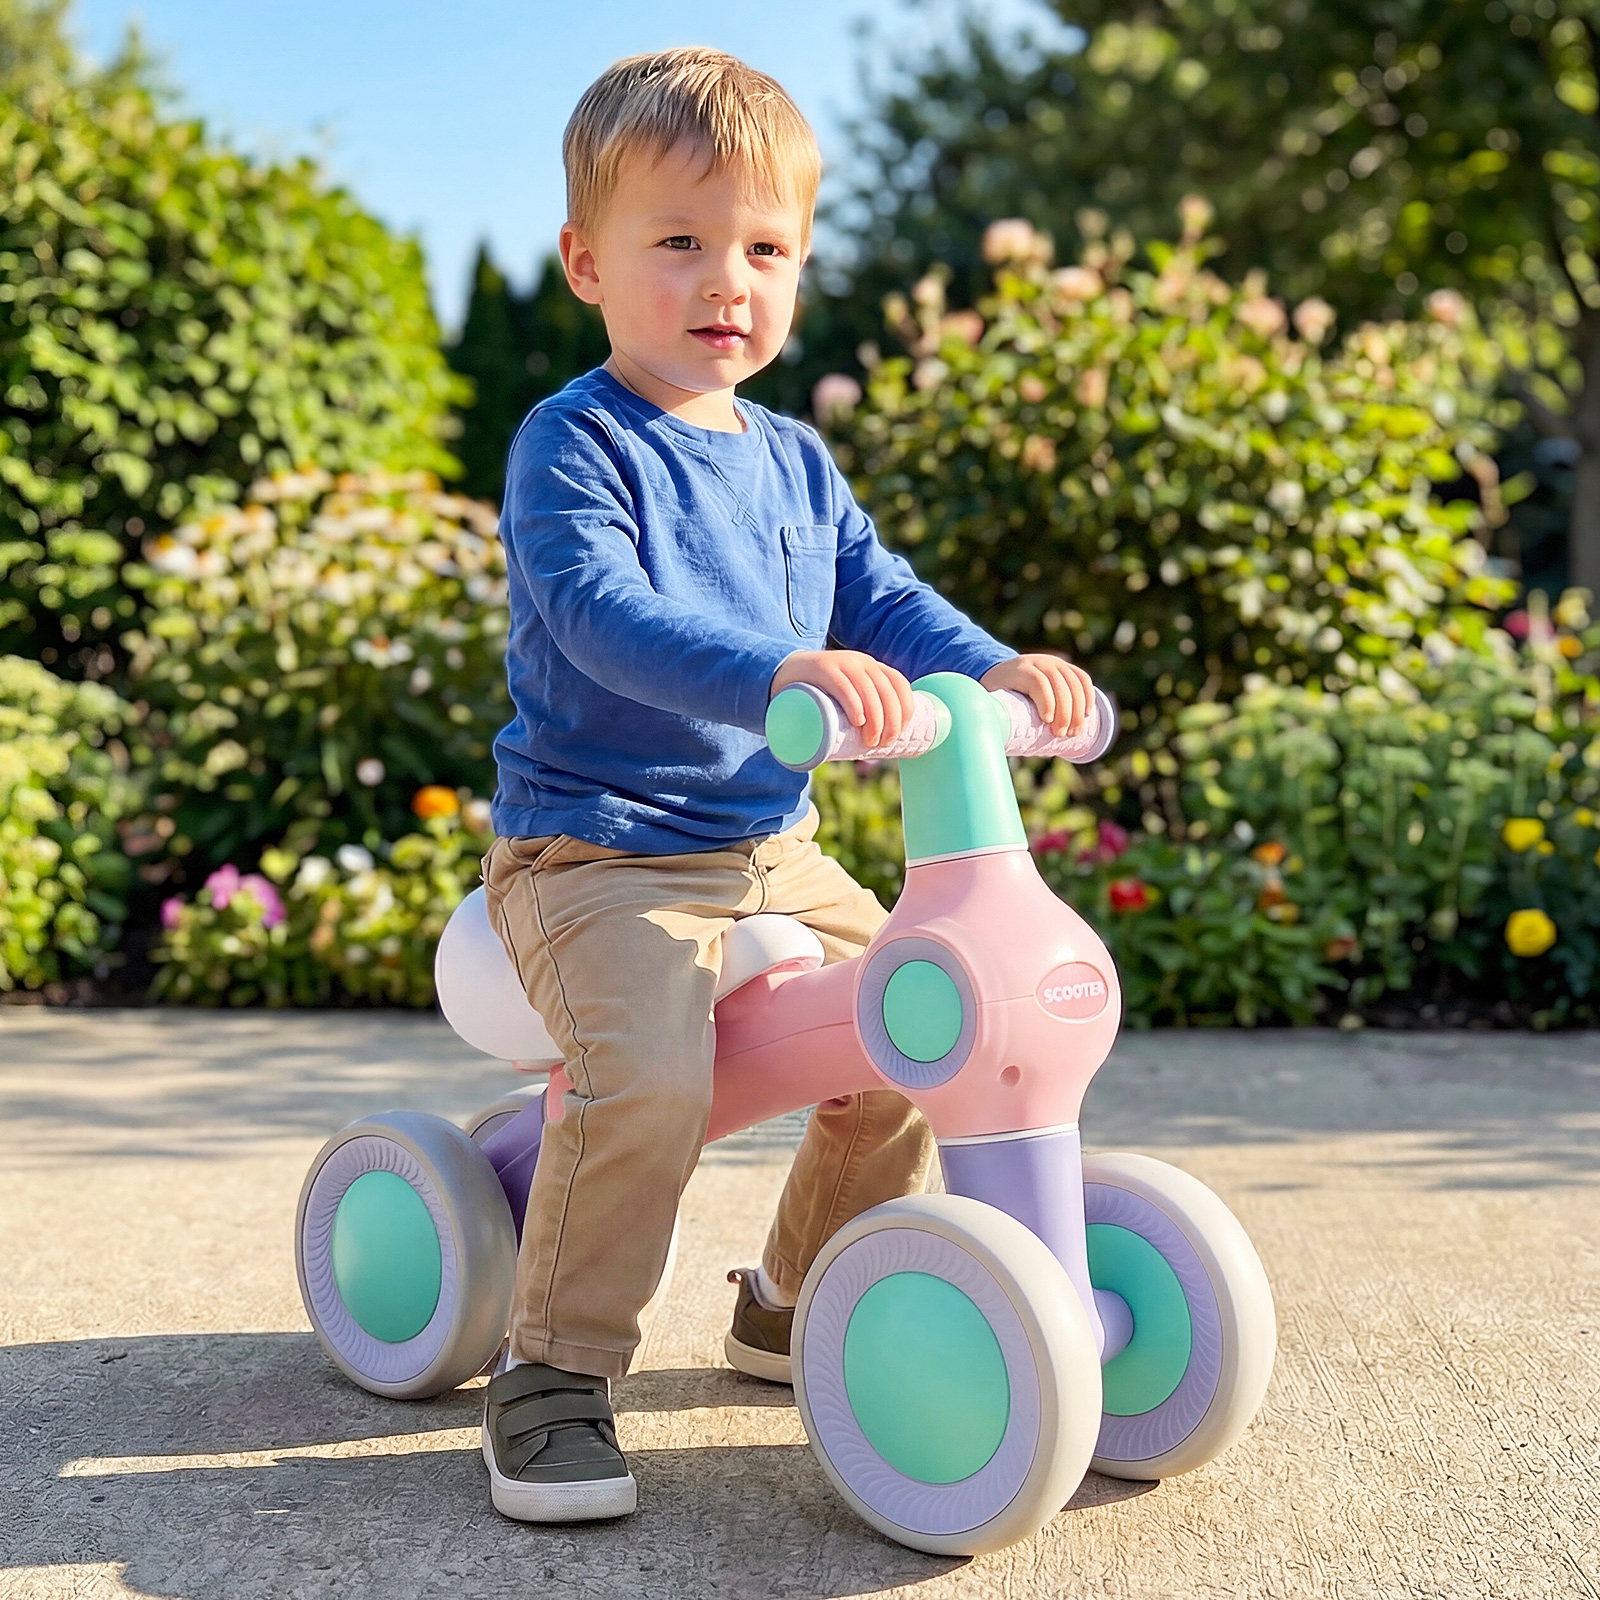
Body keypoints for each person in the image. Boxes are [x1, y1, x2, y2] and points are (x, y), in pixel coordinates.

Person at [479, 45, 1094, 1524]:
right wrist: (773, 673)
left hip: (769, 847)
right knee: (649, 1079)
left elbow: (882, 601)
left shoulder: (796, 462)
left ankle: (794, 1303)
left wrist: (1003, 673)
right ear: (588, 261)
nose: (724, 282)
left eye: (763, 248)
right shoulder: (575, 442)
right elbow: (595, 613)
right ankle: (554, 1371)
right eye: (678, 242)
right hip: (597, 855)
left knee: (909, 1037)